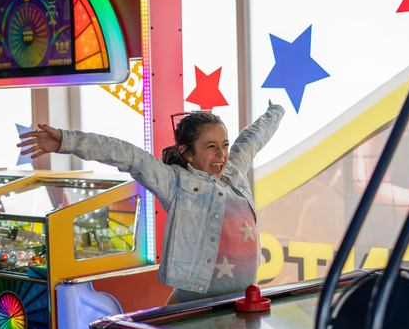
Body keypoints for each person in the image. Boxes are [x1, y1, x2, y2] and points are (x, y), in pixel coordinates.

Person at [18, 101, 285, 304]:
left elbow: (253, 138)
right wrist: (68, 140)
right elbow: (127, 155)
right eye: (211, 146)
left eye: (224, 145)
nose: (221, 154)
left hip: (240, 303)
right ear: (186, 152)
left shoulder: (234, 173)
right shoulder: (175, 183)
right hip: (194, 309)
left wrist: (277, 111)